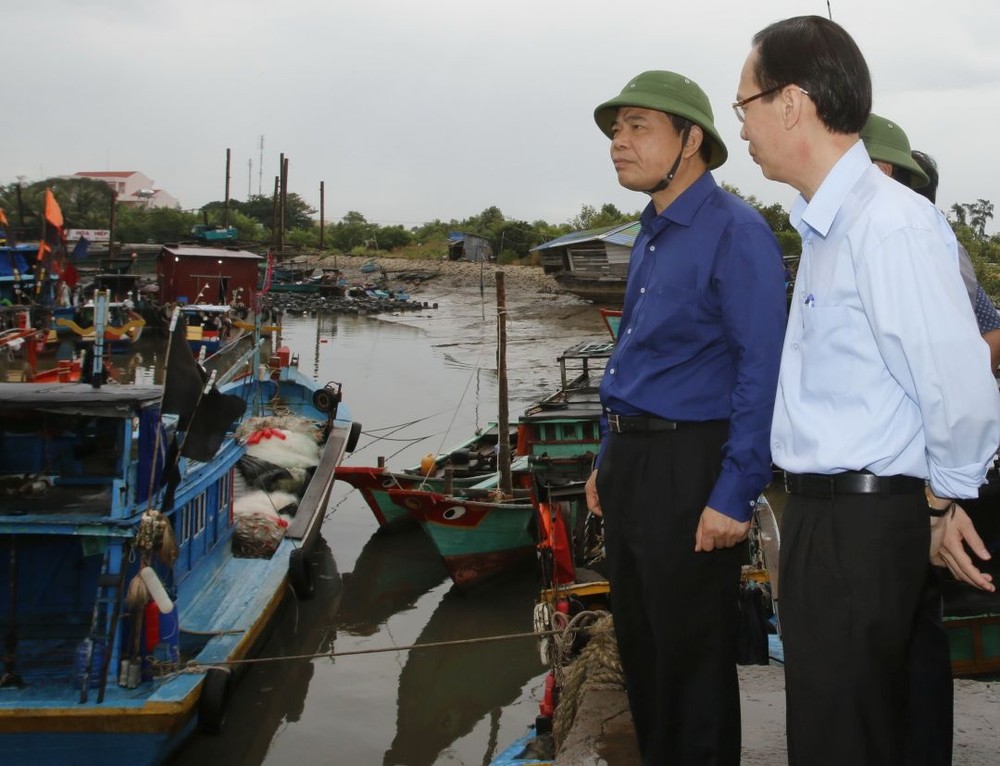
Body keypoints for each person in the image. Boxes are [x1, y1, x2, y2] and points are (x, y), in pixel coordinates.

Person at [735, 15, 1000, 765]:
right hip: (830, 516)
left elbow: (958, 385)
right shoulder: (832, 228)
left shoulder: (888, 226)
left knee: (844, 735)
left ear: (791, 103)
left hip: (863, 521)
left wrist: (945, 500)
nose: (745, 126)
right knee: (837, 728)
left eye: (746, 104)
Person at [583, 70, 787, 764]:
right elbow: (633, 362)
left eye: (638, 126)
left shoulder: (737, 233)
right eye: (616, 129)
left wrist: (734, 491)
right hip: (633, 465)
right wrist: (604, 461)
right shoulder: (651, 235)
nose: (619, 141)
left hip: (691, 464)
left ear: (691, 140)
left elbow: (762, 372)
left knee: (692, 659)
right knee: (641, 647)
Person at [861, 112, 1000, 766]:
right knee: (912, 623)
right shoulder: (894, 244)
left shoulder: (926, 246)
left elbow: (982, 349)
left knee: (912, 623)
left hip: (921, 472)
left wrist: (946, 365)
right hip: (905, 472)